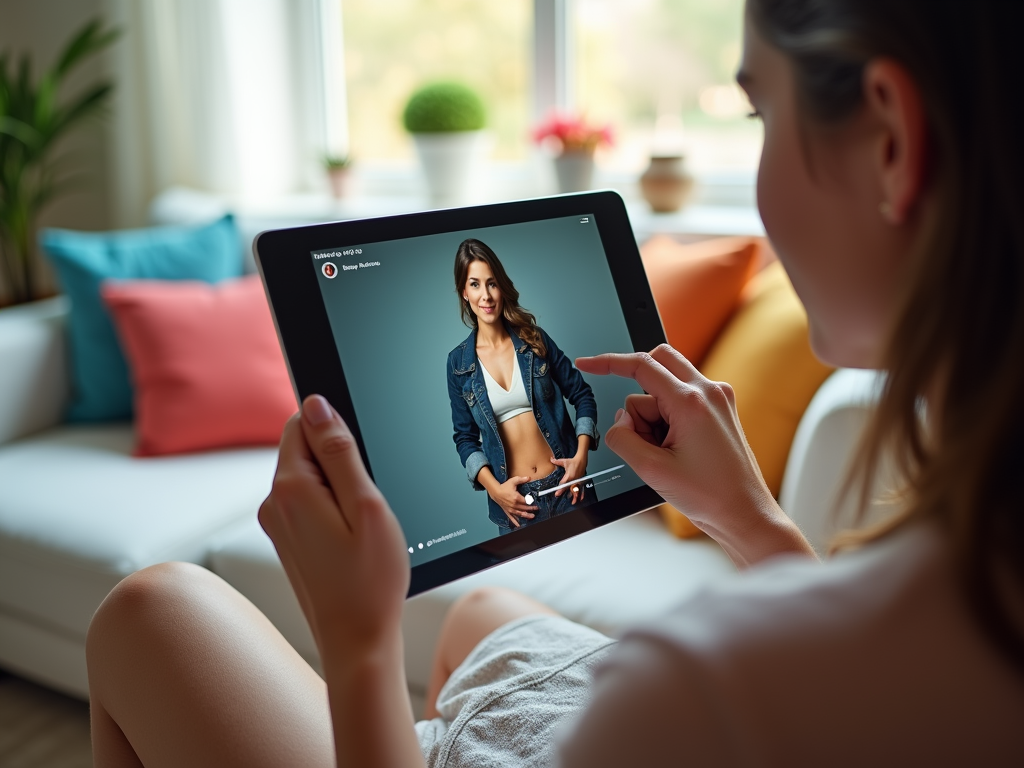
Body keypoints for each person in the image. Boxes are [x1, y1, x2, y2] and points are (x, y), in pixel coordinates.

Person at [85, 1, 1024, 765]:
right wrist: (758, 524)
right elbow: (465, 440)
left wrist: (360, 644)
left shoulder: (693, 687)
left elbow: (578, 406)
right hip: (518, 503)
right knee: (484, 610)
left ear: (892, 143)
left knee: (151, 607)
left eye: (760, 115)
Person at [446, 238, 599, 534]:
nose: (486, 295)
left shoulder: (534, 339)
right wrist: (495, 490)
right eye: (475, 284)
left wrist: (580, 459)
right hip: (516, 505)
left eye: (492, 283)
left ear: (501, 287)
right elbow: (465, 439)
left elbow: (582, 395)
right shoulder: (457, 364)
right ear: (464, 292)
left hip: (567, 488)